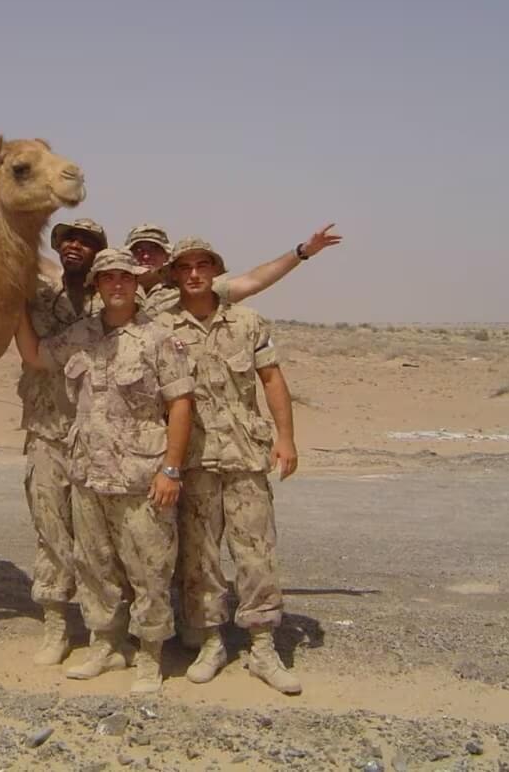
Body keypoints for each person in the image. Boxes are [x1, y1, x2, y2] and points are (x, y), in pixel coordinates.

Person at [161, 226, 341, 695]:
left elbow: (272, 380)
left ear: (216, 272)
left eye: (203, 265)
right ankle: (210, 641)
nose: (195, 274)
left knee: (255, 553)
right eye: (185, 267)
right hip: (196, 460)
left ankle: (263, 646)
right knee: (199, 557)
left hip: (243, 455)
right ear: (175, 276)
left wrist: (287, 439)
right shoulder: (163, 328)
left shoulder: (248, 323)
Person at [15, 248, 194, 694]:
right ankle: (105, 644)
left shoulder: (158, 338)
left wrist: (170, 469)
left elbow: (181, 404)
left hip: (141, 475)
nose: (117, 284)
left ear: (136, 284)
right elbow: (37, 356)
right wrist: (13, 305)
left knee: (149, 566)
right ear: (97, 284)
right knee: (94, 566)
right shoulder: (81, 335)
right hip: (87, 473)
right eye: (108, 277)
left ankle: (150, 654)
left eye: (125, 278)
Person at [17, 218, 106, 665]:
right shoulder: (37, 292)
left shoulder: (114, 295)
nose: (75, 246)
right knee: (50, 531)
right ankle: (55, 625)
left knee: (96, 539)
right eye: (68, 239)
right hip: (46, 431)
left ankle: (102, 633)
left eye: (86, 241)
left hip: (101, 437)